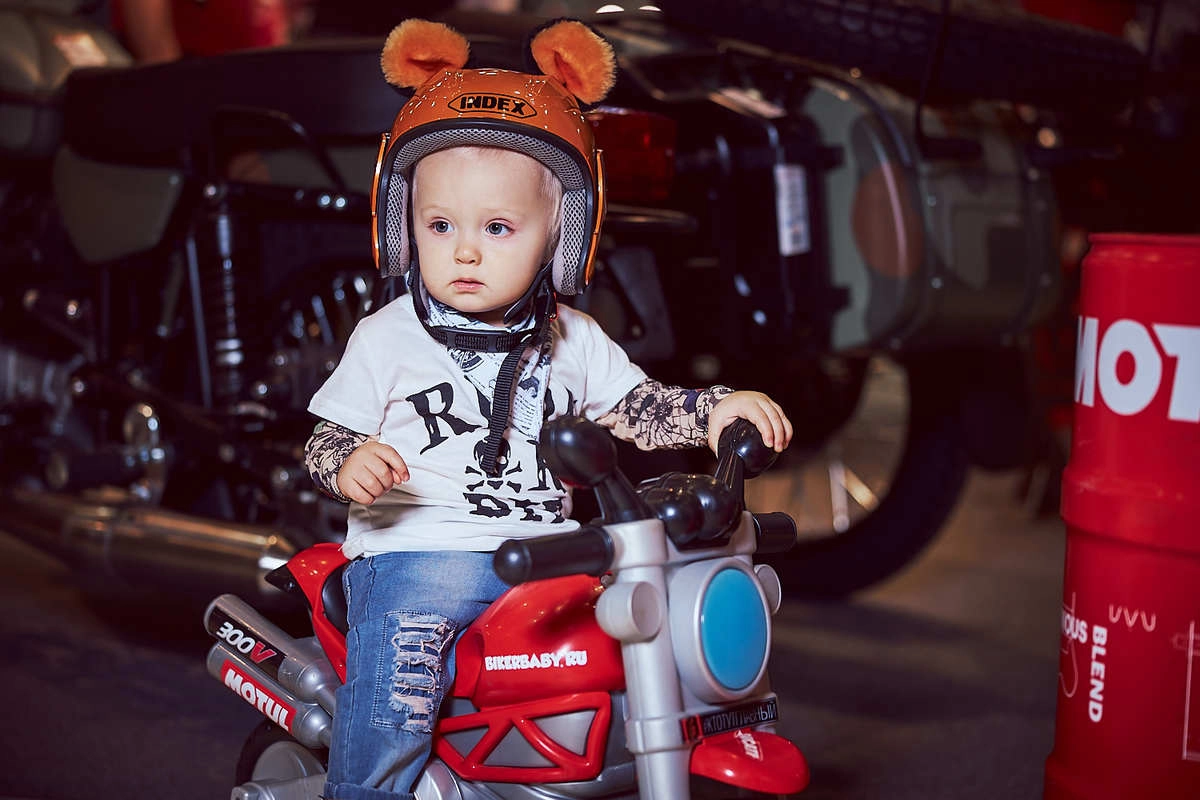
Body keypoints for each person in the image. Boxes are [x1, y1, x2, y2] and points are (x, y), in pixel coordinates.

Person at [302, 18, 793, 800]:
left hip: (552, 560)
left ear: (560, 236)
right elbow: (327, 438)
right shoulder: (387, 336)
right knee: (400, 692)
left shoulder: (575, 339)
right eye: (439, 225)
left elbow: (639, 407)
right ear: (402, 223)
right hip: (419, 559)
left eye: (498, 228)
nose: (464, 250)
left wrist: (712, 409)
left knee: (640, 660)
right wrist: (348, 461)